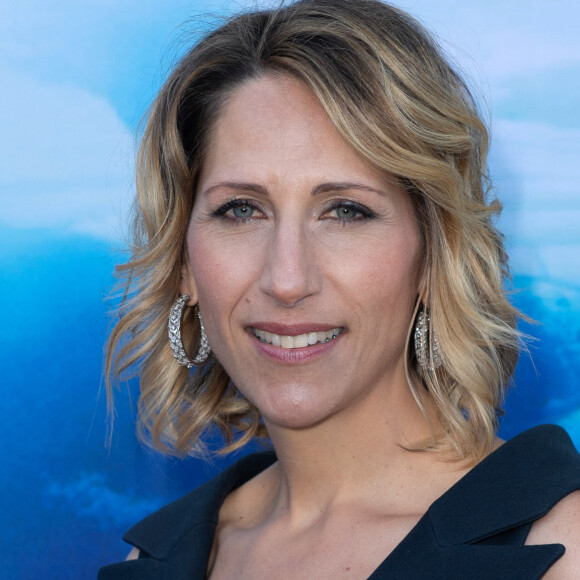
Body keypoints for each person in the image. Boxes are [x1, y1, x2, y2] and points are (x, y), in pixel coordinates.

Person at [98, 1, 580, 578]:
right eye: (241, 210)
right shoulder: (155, 560)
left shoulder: (559, 546)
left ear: (434, 252)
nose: (287, 279)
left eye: (346, 211)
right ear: (184, 263)